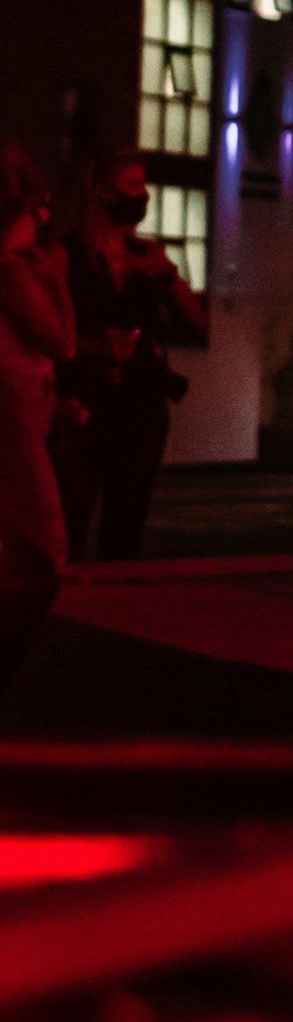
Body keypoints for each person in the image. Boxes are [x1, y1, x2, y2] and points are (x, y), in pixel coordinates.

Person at [52, 155, 203, 559]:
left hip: (141, 403)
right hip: (85, 400)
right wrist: (97, 346)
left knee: (126, 523)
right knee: (72, 514)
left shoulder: (146, 253)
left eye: (144, 184)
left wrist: (167, 274)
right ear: (102, 192)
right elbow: (51, 336)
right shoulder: (68, 253)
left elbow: (197, 319)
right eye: (132, 185)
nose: (143, 194)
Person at [0, 148, 75, 675]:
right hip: (14, 418)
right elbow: (61, 342)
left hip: (22, 411)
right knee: (48, 540)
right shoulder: (13, 272)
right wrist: (59, 279)